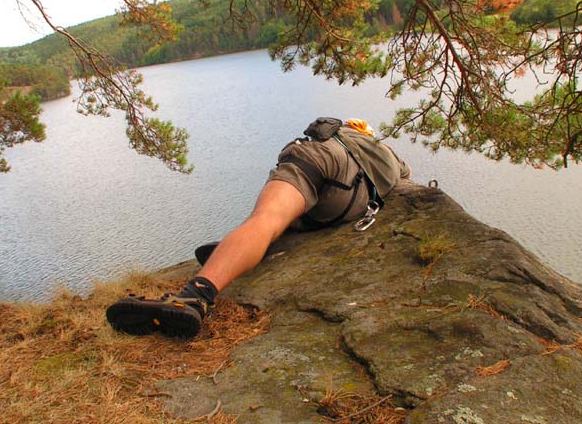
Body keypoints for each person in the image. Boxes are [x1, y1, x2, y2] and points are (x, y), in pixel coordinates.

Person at [105, 117, 410, 340]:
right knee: (292, 217)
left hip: (320, 161)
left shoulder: (341, 134)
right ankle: (249, 250)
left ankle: (194, 297)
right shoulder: (389, 155)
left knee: (267, 218)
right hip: (352, 201)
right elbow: (406, 180)